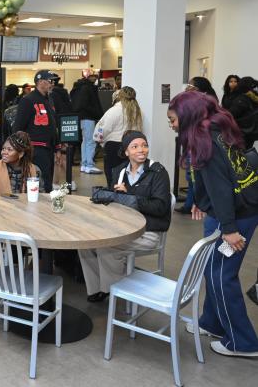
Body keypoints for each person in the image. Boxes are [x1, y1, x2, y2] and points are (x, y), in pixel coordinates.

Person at [168, 90, 258, 358]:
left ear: (187, 116)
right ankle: (212, 322)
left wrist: (229, 229)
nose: (171, 125)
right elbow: (216, 176)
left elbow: (220, 186)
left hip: (237, 214)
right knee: (212, 268)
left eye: (173, 119)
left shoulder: (205, 139)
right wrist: (202, 201)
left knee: (221, 274)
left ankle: (243, 342)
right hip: (237, 207)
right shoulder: (215, 128)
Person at [78, 130, 171, 302]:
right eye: (134, 147)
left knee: (106, 247)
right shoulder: (119, 171)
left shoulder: (158, 172)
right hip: (122, 227)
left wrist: (129, 195)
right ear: (126, 151)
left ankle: (113, 291)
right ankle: (97, 288)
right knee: (85, 244)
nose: (141, 150)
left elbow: (160, 207)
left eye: (144, 145)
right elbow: (115, 202)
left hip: (148, 232)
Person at [13, 70, 59, 193]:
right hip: (35, 149)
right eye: (50, 81)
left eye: (53, 81)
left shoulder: (49, 100)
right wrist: (19, 149)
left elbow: (52, 124)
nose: (52, 84)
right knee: (37, 181)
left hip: (48, 148)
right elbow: (18, 126)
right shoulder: (28, 100)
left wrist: (57, 147)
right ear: (40, 82)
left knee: (47, 180)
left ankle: (46, 203)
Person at [93, 86, 143, 187]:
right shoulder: (138, 111)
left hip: (114, 147)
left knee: (113, 175)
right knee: (128, 173)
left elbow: (103, 128)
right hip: (131, 146)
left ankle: (114, 193)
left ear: (120, 96)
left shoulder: (114, 110)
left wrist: (97, 139)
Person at [0, 131, 41, 198]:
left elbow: (41, 195)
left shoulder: (35, 170)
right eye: (3, 149)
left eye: (9, 149)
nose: (4, 152)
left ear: (21, 154)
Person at [71, 69, 104, 174]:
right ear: (89, 77)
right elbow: (87, 104)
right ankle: (89, 165)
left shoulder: (79, 87)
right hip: (88, 117)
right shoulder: (87, 87)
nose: (95, 78)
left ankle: (84, 164)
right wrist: (97, 113)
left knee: (85, 141)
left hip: (81, 118)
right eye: (94, 76)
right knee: (90, 141)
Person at [50, 74, 73, 190]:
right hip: (65, 127)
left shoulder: (52, 96)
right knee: (64, 156)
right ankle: (70, 181)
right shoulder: (64, 93)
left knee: (57, 158)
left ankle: (55, 183)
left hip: (56, 128)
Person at [222, 76, 258, 148]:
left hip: (242, 131)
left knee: (240, 151)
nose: (234, 84)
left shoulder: (242, 99)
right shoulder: (253, 97)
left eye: (236, 82)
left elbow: (231, 114)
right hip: (251, 130)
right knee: (247, 150)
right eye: (231, 81)